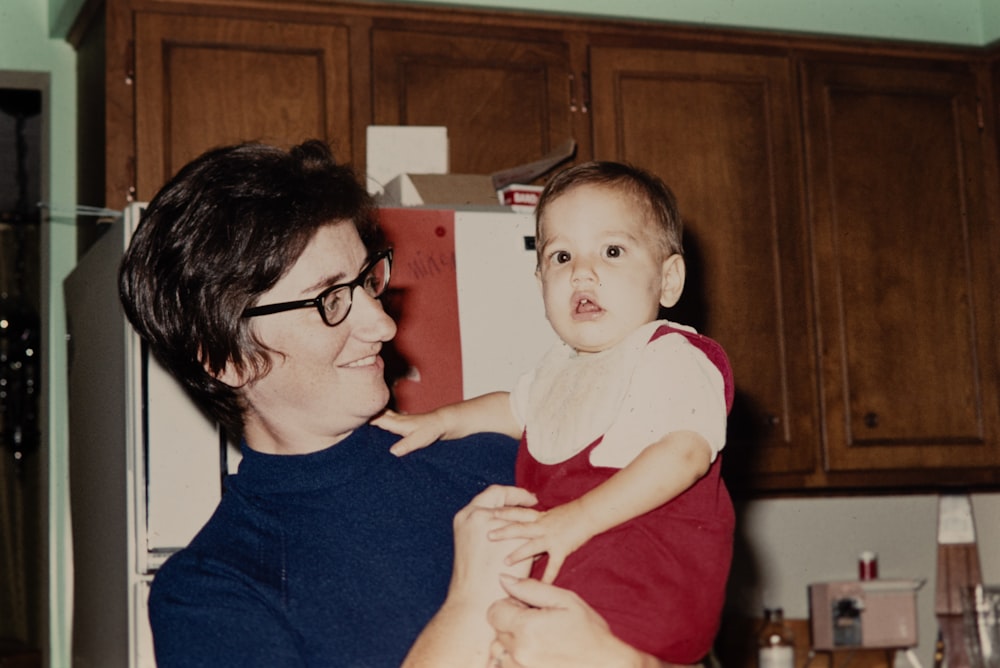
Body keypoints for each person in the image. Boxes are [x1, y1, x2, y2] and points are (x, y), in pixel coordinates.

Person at [118, 140, 681, 668]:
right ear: (226, 359)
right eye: (331, 298)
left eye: (368, 281)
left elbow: (684, 623)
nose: (382, 323)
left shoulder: (500, 461)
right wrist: (466, 607)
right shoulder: (213, 591)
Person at [375, 160, 736, 664]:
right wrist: (439, 420)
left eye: (612, 251)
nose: (582, 271)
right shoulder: (559, 371)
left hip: (648, 595)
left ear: (668, 279)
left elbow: (685, 454)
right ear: (540, 278)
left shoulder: (671, 355)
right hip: (575, 598)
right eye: (561, 256)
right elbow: (513, 408)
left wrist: (573, 521)